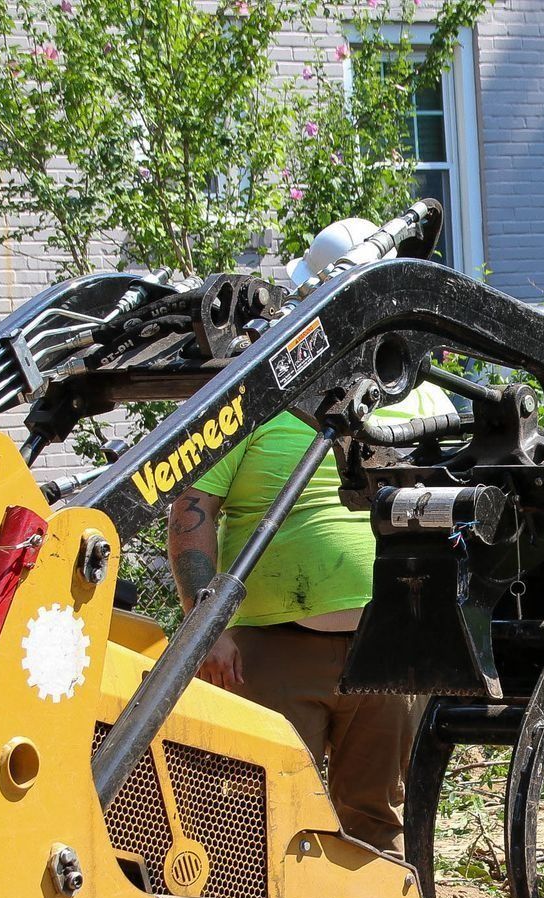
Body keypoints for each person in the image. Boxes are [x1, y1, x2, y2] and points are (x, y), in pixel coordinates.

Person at [166, 217, 454, 853]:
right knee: (256, 820)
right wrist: (206, 627)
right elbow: (192, 508)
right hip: (269, 652)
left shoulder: (411, 394)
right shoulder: (257, 391)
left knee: (375, 824)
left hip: (384, 652)